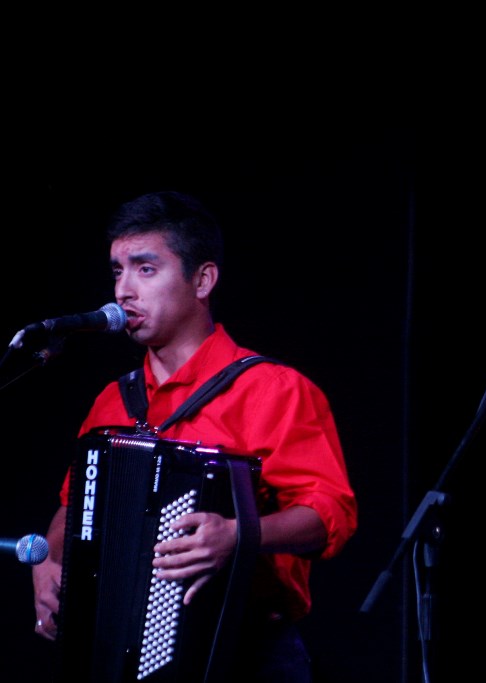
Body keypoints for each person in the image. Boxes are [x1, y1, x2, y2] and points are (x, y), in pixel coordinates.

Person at [30, 190, 358, 682]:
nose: (123, 291)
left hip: (245, 653)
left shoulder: (272, 388)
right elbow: (74, 503)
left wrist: (236, 534)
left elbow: (329, 515)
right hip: (116, 647)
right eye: (117, 271)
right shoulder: (113, 400)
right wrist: (50, 560)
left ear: (202, 280)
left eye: (145, 269)